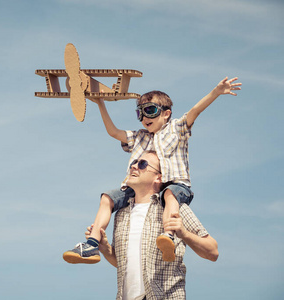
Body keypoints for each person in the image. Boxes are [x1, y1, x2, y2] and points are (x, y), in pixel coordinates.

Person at [63, 77, 240, 264]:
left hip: (175, 184)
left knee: (170, 194)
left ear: (166, 114)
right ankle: (91, 244)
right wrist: (100, 104)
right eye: (140, 113)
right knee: (107, 198)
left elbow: (195, 110)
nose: (145, 118)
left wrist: (217, 91)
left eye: (150, 111)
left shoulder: (176, 129)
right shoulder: (140, 137)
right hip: (143, 189)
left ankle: (168, 236)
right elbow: (114, 132)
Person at [86, 151, 219, 300]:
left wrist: (184, 234)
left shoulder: (174, 208)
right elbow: (124, 265)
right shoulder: (121, 214)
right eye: (133, 163)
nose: (134, 167)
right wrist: (106, 250)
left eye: (142, 164)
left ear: (159, 177)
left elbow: (212, 251)